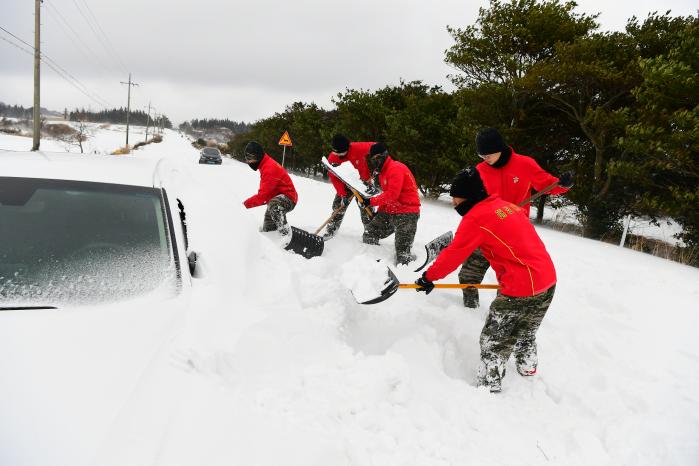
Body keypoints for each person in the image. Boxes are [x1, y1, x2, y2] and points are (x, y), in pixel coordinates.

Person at [415, 167, 558, 393]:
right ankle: (528, 368)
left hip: (521, 288)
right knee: (526, 331)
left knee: (494, 342)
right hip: (547, 281)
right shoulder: (505, 206)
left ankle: (488, 386)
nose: (453, 202)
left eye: (456, 196)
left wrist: (428, 277)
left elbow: (454, 254)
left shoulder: (476, 218)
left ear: (469, 196)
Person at [458, 127, 574, 309]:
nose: (484, 159)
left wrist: (564, 185)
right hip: (487, 231)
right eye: (481, 156)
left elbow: (548, 184)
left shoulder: (524, 164)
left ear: (500, 148)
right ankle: (469, 309)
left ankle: (502, 314)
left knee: (511, 281)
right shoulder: (480, 170)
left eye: (488, 155)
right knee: (468, 275)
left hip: (514, 235)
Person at [360, 143, 420, 265]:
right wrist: (379, 211)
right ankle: (372, 261)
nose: (376, 161)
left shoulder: (395, 168)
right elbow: (387, 196)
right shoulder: (382, 173)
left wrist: (371, 201)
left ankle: (410, 267)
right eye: (373, 159)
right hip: (391, 210)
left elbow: (393, 195)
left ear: (385, 155)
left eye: (378, 157)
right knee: (369, 233)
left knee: (402, 254)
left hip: (407, 212)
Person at [322, 134, 377, 240]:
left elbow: (376, 147)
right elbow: (334, 178)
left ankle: (371, 234)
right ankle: (331, 230)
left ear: (348, 148)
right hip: (345, 184)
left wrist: (378, 163)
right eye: (337, 152)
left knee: (367, 209)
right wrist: (342, 194)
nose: (340, 155)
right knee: (339, 206)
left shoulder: (357, 148)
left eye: (342, 152)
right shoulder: (333, 158)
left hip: (363, 184)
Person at [242, 141, 298, 237]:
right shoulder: (264, 164)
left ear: (258, 156)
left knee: (274, 206)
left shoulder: (269, 168)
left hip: (288, 198)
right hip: (277, 198)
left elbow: (262, 196)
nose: (248, 161)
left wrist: (243, 206)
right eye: (247, 158)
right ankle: (271, 240)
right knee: (268, 228)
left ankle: (286, 235)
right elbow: (267, 194)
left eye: (250, 158)